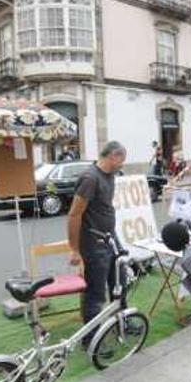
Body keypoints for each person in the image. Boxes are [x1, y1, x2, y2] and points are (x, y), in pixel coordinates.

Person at [67, 141, 127, 346]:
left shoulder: (109, 175)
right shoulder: (90, 178)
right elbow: (74, 215)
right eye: (122, 160)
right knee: (95, 292)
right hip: (93, 242)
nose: (122, 165)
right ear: (114, 156)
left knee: (120, 281)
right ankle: (91, 339)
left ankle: (123, 322)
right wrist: (74, 249)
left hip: (110, 237)